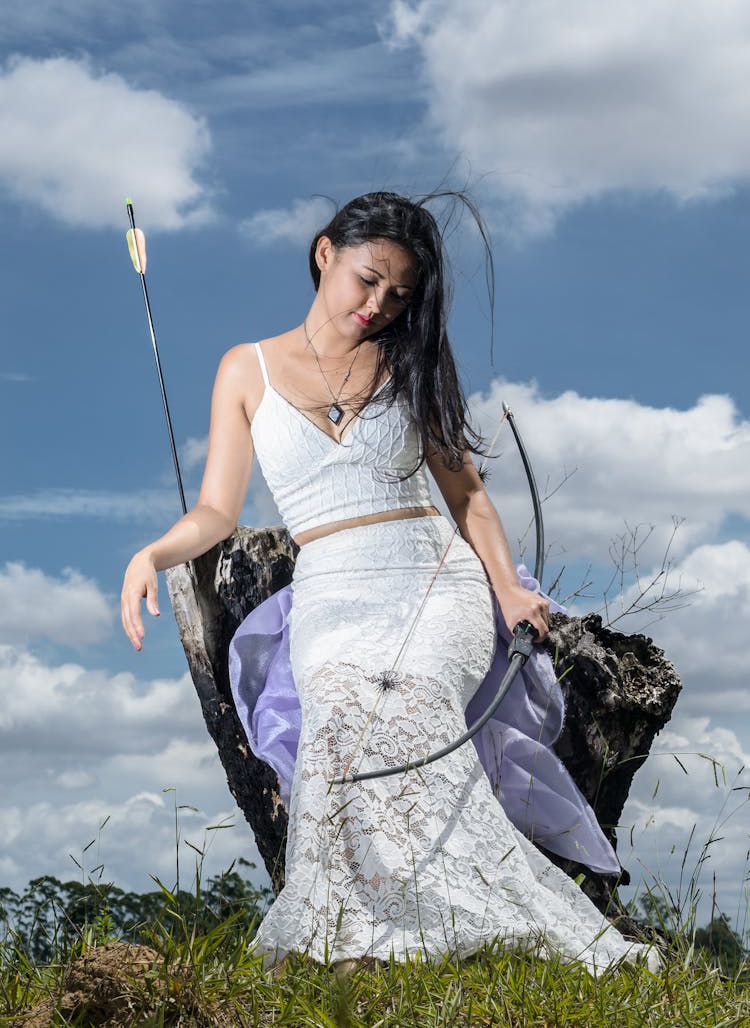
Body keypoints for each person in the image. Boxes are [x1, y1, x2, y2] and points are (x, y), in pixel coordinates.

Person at [121, 191, 657, 972]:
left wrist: (507, 588)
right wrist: (154, 554)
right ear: (324, 253)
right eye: (368, 280)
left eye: (400, 294)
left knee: (416, 703)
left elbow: (467, 495)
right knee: (338, 705)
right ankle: (359, 930)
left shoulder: (411, 361)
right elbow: (214, 510)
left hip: (432, 578)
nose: (378, 305)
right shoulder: (247, 367)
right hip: (332, 586)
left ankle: (474, 927)